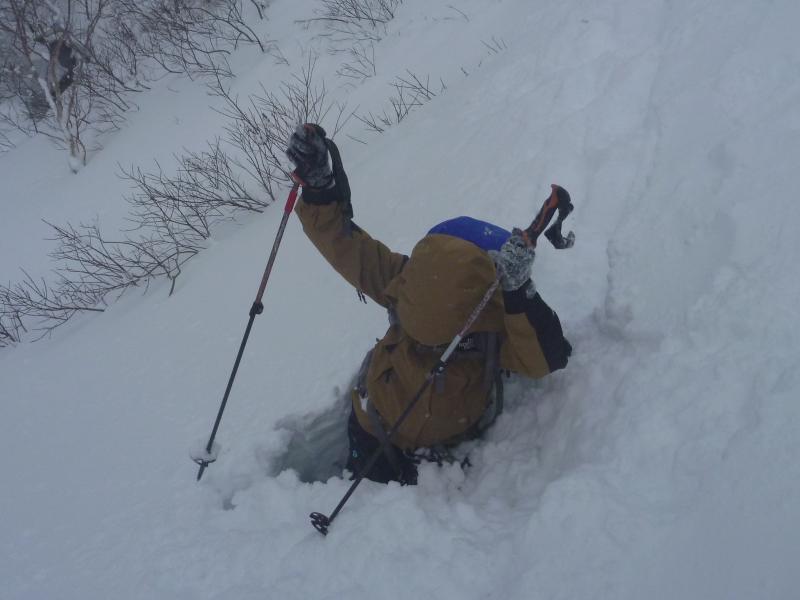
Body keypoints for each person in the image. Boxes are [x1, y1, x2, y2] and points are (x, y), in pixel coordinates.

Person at [286, 123, 572, 485]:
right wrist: (519, 292)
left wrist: (319, 189)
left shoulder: (405, 278)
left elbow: (343, 245)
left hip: (371, 421)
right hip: (436, 448)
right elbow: (547, 357)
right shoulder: (493, 316)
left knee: (363, 490)